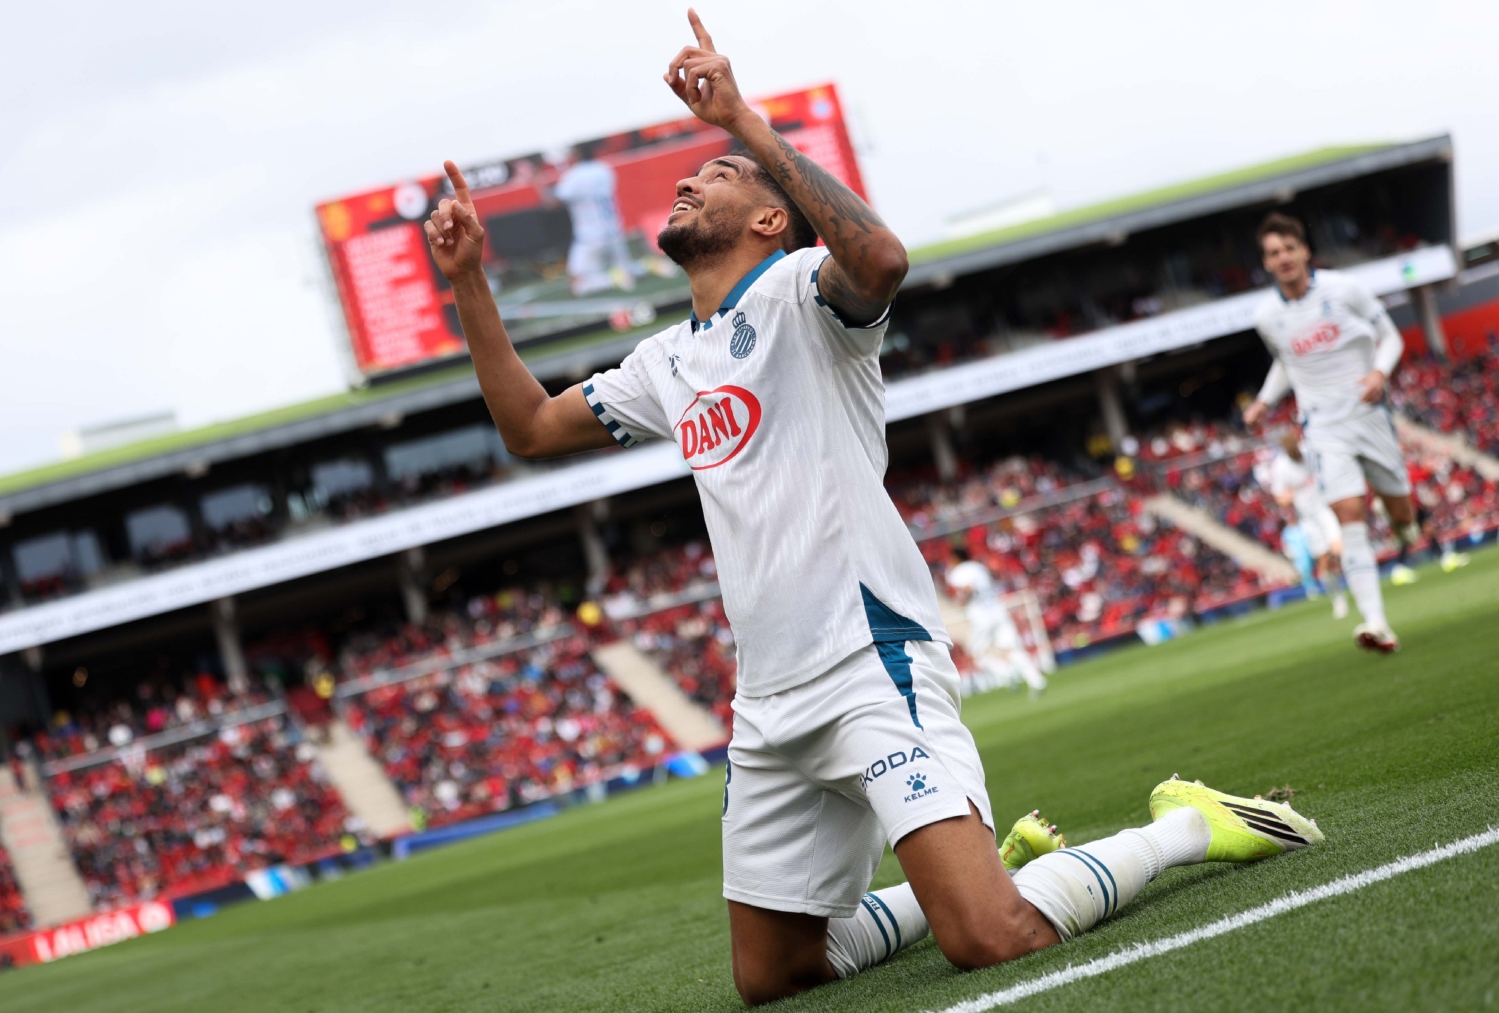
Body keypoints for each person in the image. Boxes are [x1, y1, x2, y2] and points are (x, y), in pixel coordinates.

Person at [421, 11, 1323, 1003]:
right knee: (775, 975)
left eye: (715, 178)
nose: (689, 180)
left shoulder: (808, 292)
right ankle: (986, 860)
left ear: (772, 220)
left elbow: (883, 259)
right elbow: (531, 429)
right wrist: (469, 285)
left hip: (866, 660)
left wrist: (747, 125)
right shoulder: (666, 360)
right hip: (769, 702)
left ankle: (1183, 822)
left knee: (991, 933)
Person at [1243, 212, 1417, 653]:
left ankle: (1405, 534)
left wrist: (1379, 372)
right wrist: (1265, 400)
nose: (1282, 258)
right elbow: (1287, 360)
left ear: (1304, 251)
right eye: (1272, 253)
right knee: (1349, 515)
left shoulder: (1345, 289)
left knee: (1401, 512)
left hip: (1368, 411)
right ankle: (1376, 623)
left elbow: (1391, 338)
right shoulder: (1267, 316)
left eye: (1288, 248)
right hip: (1321, 425)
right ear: (1265, 263)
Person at [1264, 432, 1350, 619]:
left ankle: (1357, 584)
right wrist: (1291, 494)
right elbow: (1280, 498)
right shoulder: (1281, 468)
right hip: (1308, 518)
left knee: (1338, 548)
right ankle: (1338, 599)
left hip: (1325, 508)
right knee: (1323, 561)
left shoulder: (1310, 451)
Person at [943, 556, 1046, 695]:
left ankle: (1006, 674)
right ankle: (1037, 681)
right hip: (998, 611)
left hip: (981, 617)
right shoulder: (979, 567)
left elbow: (968, 589)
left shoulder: (958, 573)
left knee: (977, 655)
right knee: (1012, 648)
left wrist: (961, 601)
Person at [554, 141, 641, 296]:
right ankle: (646, 266)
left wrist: (536, 180)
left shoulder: (574, 176)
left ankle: (613, 279)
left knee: (578, 284)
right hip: (614, 229)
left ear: (578, 152)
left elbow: (553, 203)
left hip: (589, 236)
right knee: (626, 268)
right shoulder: (604, 168)